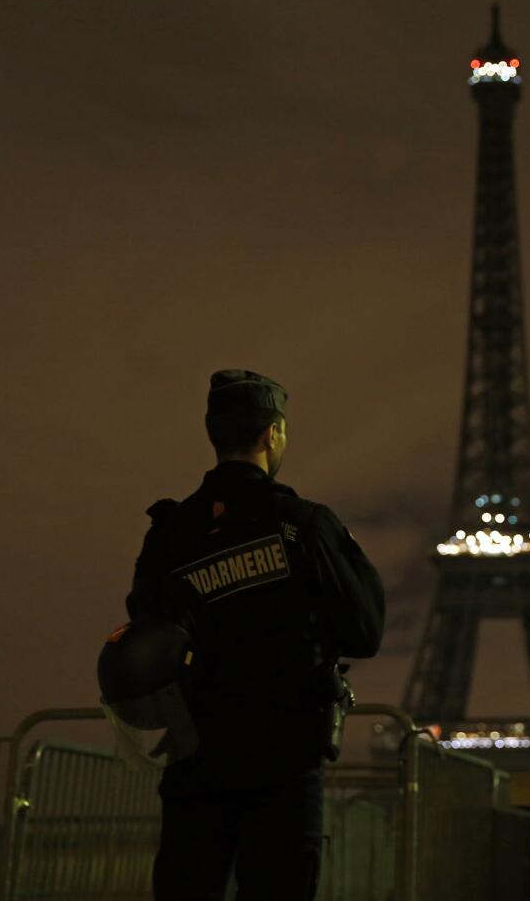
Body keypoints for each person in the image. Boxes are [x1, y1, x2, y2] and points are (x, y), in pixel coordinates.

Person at [123, 369, 384, 900]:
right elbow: (365, 630)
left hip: (196, 764)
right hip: (283, 765)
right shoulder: (304, 526)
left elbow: (144, 640)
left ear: (213, 433)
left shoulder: (169, 535)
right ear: (272, 434)